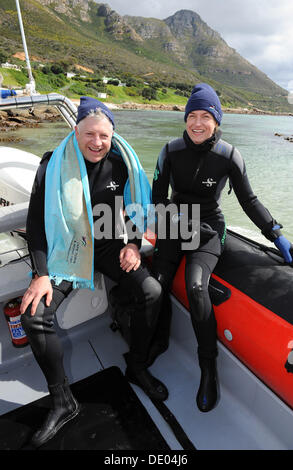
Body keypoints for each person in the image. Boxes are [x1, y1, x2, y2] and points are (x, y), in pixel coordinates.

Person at [20, 97, 168, 448]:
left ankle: (136, 364)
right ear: (76, 130)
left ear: (113, 135)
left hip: (104, 247)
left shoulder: (120, 163)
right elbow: (36, 224)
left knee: (152, 292)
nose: (97, 142)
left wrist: (133, 243)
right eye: (90, 134)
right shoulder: (51, 165)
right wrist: (40, 273)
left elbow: (134, 208)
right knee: (33, 315)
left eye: (104, 135)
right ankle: (62, 401)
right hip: (67, 249)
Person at [150, 83, 293, 413]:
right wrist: (177, 223)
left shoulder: (229, 156)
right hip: (175, 224)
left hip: (209, 229)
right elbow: (157, 201)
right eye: (192, 116)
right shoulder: (169, 151)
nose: (197, 123)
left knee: (197, 286)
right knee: (156, 283)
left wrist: (275, 234)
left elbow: (248, 200)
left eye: (205, 116)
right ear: (185, 118)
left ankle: (208, 369)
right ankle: (157, 340)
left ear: (217, 121)